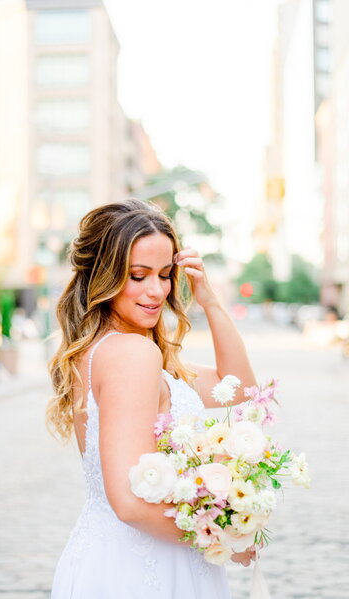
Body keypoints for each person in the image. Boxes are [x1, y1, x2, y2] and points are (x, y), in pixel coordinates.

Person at [48, 199, 257, 598]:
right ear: (104, 276)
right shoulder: (131, 354)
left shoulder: (104, 351)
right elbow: (128, 502)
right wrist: (223, 537)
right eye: (138, 275)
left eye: (165, 275)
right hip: (144, 571)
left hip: (111, 558)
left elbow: (240, 388)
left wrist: (209, 299)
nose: (157, 291)